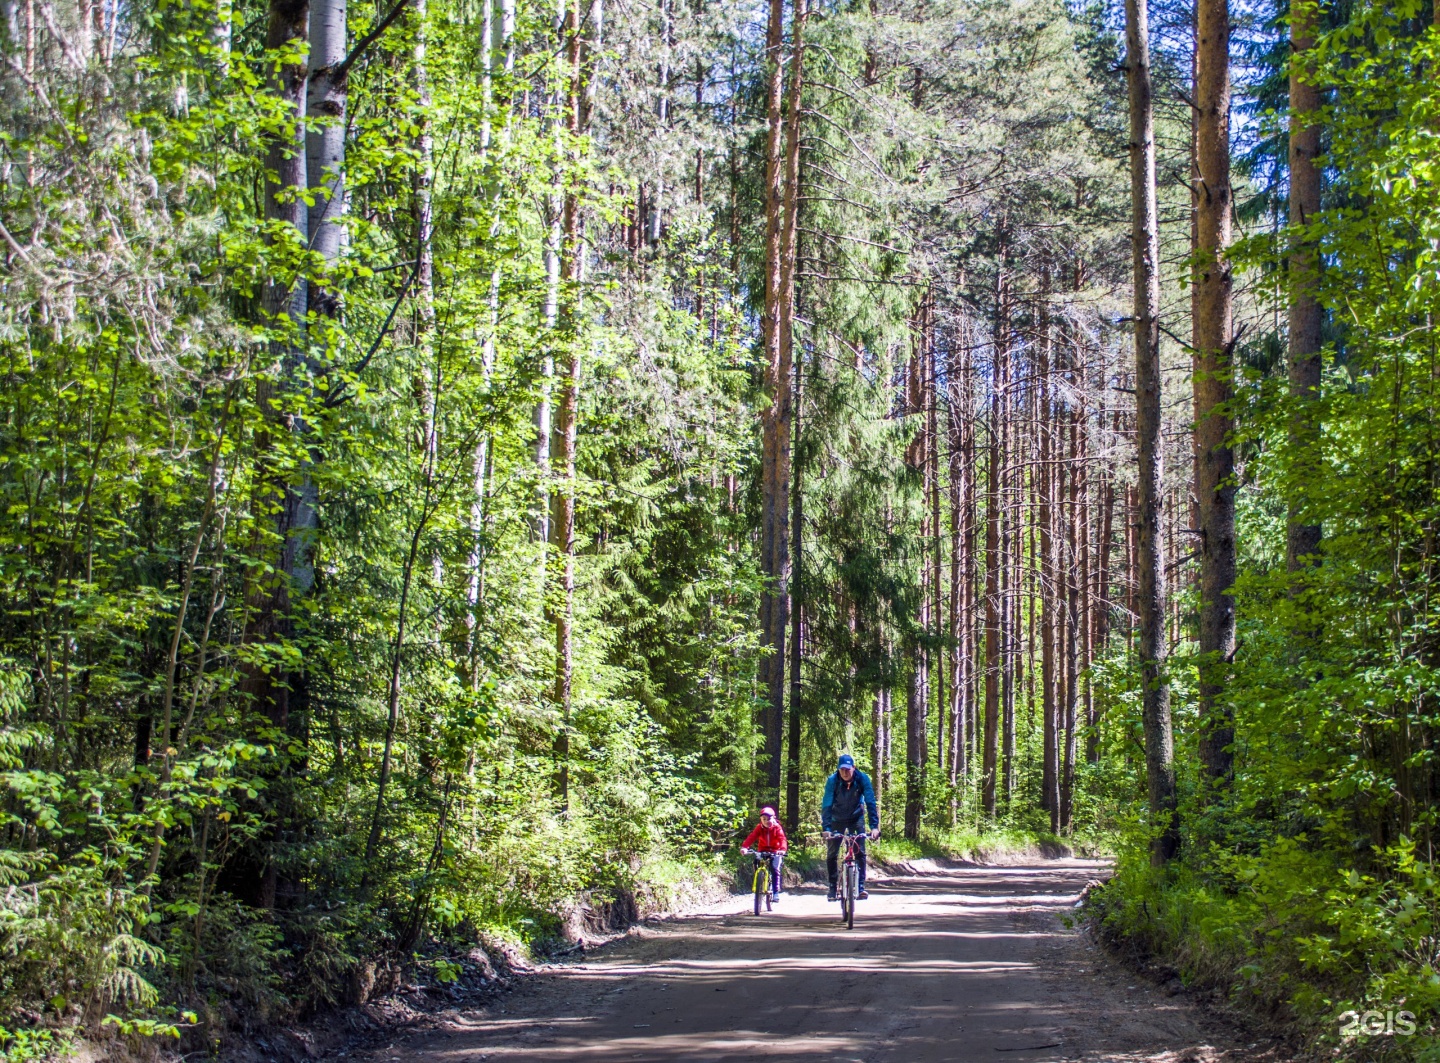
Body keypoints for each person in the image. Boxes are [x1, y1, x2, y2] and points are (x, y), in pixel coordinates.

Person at [820, 753, 879, 901]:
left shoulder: (862, 779)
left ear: (853, 768)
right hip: (836, 818)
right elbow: (827, 803)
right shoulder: (833, 781)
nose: (845, 773)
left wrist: (874, 827)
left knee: (860, 851)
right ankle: (833, 887)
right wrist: (826, 828)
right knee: (832, 853)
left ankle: (860, 887)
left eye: (847, 769)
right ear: (838, 770)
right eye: (842, 770)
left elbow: (870, 802)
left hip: (856, 817)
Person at [739, 805, 788, 902]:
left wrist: (782, 850)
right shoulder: (759, 828)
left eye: (768, 819)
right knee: (756, 861)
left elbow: (782, 839)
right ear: (761, 819)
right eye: (763, 819)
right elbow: (752, 837)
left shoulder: (777, 827)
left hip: (776, 851)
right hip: (763, 850)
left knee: (775, 869)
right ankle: (759, 880)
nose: (766, 821)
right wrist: (745, 847)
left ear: (773, 818)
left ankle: (775, 892)